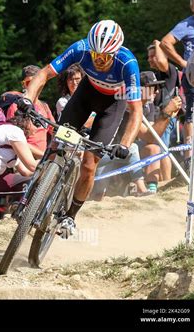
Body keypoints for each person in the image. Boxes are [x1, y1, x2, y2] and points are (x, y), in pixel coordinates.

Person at [24, 20, 143, 238]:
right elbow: (43, 74)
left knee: (89, 165)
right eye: (96, 55)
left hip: (112, 105)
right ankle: (30, 193)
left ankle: (70, 216)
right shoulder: (80, 49)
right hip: (85, 96)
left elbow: (136, 112)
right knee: (57, 143)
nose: (99, 61)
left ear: (115, 52)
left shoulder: (128, 63)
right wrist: (27, 99)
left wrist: (125, 145)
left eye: (105, 57)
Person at [161, 0, 194, 168]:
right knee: (193, 114)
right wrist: (183, 63)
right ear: (192, 8)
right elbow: (165, 42)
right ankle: (190, 157)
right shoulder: (186, 25)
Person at [136, 71, 182, 193]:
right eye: (153, 87)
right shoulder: (131, 106)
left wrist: (168, 116)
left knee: (155, 148)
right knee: (153, 148)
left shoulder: (148, 106)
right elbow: (149, 137)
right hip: (120, 148)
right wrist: (166, 113)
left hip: (135, 147)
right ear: (140, 89)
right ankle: (149, 189)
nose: (157, 91)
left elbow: (154, 136)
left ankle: (154, 188)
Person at [147, 41, 182, 180]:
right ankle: (162, 180)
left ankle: (166, 181)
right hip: (161, 117)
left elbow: (162, 60)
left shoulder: (169, 71)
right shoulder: (158, 74)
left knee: (162, 150)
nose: (150, 59)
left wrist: (157, 43)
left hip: (166, 117)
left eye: (153, 56)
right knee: (159, 149)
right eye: (148, 56)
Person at [5, 65, 56, 159]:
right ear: (23, 84)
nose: (33, 86)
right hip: (23, 161)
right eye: (29, 82)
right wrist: (44, 156)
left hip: (42, 161)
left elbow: (54, 131)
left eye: (36, 82)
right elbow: (13, 139)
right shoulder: (16, 107)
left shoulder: (44, 106)